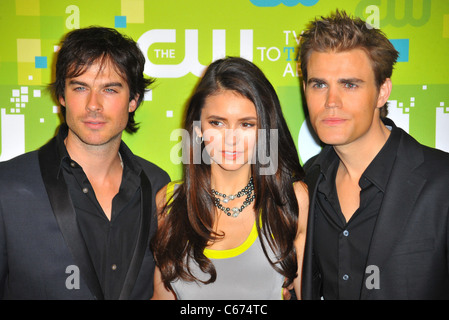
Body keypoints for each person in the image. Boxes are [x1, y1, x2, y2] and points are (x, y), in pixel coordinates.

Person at [0, 26, 170, 299]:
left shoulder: (159, 186)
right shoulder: (7, 186)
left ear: (133, 100)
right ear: (62, 96)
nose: (94, 104)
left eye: (110, 90)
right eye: (80, 87)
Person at [299, 10, 449, 299]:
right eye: (319, 84)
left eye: (349, 84)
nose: (331, 101)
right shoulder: (308, 181)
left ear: (382, 92)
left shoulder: (442, 182)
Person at [150, 57, 308, 300]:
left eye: (246, 124)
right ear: (198, 128)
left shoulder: (290, 200)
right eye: (217, 123)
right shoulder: (170, 202)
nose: (231, 138)